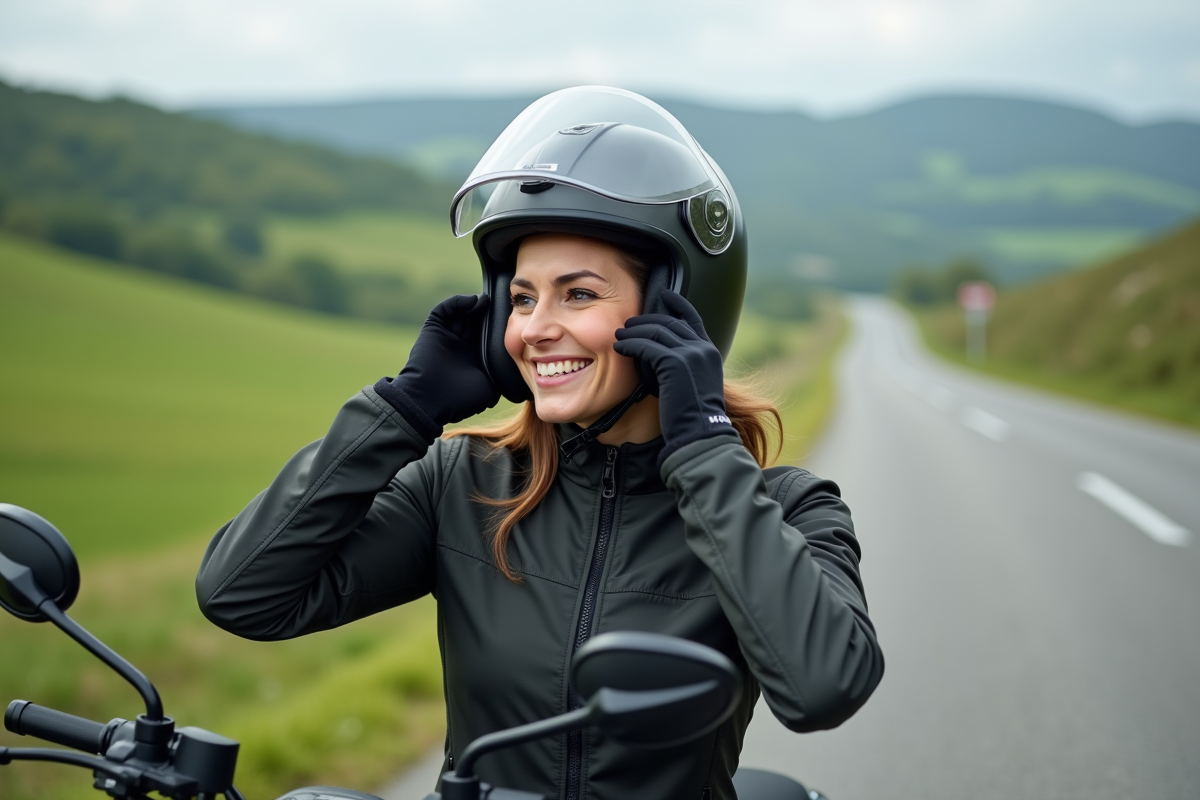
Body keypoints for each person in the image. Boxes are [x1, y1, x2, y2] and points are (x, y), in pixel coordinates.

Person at [196, 87, 883, 800]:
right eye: (522, 298)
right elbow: (242, 595)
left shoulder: (785, 508)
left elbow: (826, 687)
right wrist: (401, 410)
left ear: (678, 310)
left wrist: (705, 453)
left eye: (578, 295)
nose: (531, 330)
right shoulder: (463, 482)